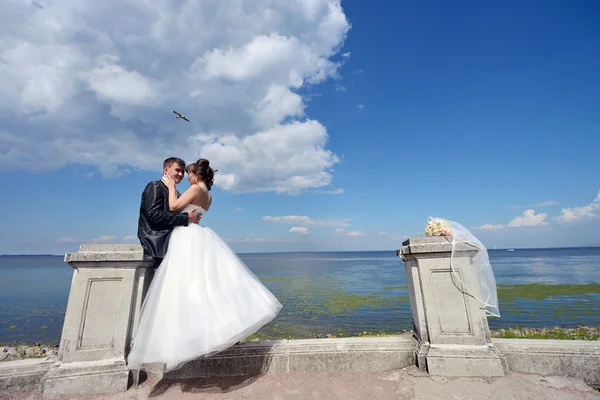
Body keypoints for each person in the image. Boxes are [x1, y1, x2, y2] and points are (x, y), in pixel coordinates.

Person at [127, 158, 283, 372]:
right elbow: (161, 214)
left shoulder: (191, 189)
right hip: (195, 237)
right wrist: (185, 214)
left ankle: (187, 340)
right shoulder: (202, 195)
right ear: (166, 169)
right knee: (206, 285)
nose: (184, 176)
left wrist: (173, 189)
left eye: (187, 172)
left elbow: (173, 207)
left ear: (196, 175)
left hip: (186, 239)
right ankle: (208, 334)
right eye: (179, 171)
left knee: (188, 288)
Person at [137, 157, 201, 268]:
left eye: (182, 171)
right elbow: (154, 215)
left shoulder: (172, 191)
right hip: (158, 243)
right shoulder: (155, 186)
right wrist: (185, 218)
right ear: (166, 170)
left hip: (170, 241)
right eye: (177, 170)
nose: (181, 174)